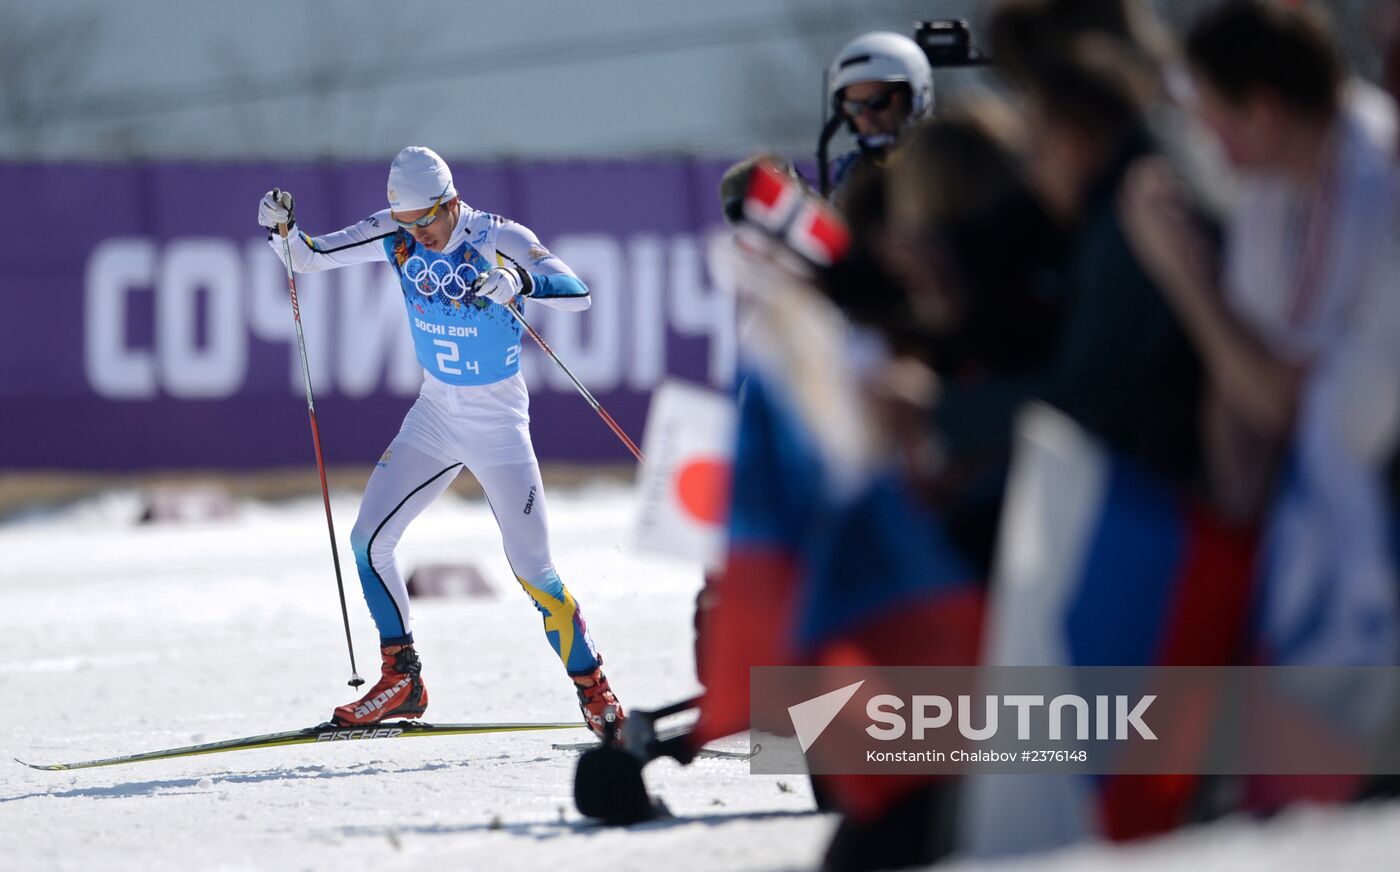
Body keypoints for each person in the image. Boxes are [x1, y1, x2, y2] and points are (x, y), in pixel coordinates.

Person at [256, 146, 625, 736]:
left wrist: (519, 279)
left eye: (427, 220)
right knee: (366, 541)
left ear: (451, 203)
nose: (417, 235)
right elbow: (307, 257)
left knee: (535, 571)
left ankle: (596, 693)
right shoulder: (395, 230)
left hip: (498, 423)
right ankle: (402, 678)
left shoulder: (497, 235)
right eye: (406, 223)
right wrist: (282, 228)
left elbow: (577, 289)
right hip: (435, 413)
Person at [824, 31, 934, 205]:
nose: (867, 118)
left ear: (916, 98)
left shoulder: (946, 168)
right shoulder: (845, 176)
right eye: (854, 107)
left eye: (878, 101)